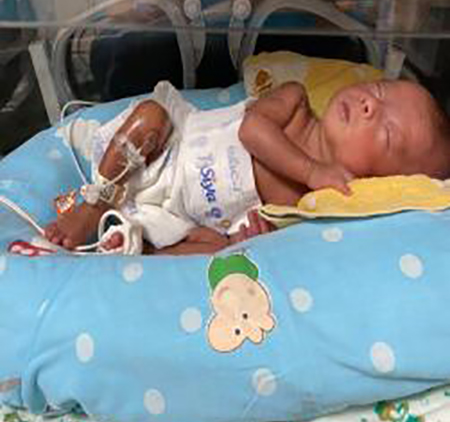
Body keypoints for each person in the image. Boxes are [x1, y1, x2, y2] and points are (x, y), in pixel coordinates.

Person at [44, 78, 450, 255]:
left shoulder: (311, 207)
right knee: (151, 114)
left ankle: (135, 248)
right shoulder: (296, 102)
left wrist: (253, 238)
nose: (370, 105)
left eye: (387, 134)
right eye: (379, 89)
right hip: (155, 155)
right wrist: (312, 170)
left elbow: (255, 232)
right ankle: (96, 203)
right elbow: (252, 130)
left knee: (218, 253)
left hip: (175, 216)